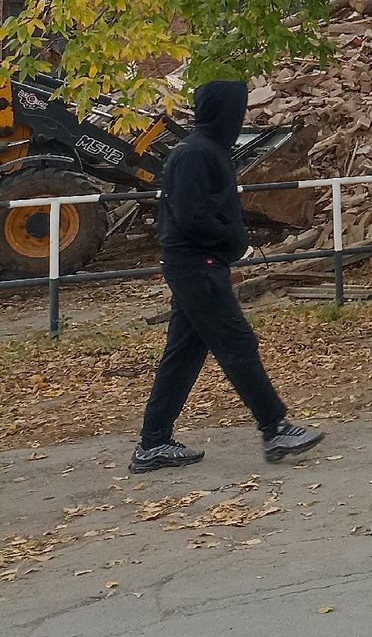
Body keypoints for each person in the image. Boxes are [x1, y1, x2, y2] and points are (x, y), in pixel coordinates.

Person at [129, 79, 324, 472]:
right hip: (196, 264)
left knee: (183, 354)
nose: (242, 117)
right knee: (237, 342)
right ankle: (274, 427)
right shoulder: (195, 154)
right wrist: (230, 241)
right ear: (223, 111)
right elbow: (190, 215)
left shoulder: (207, 151)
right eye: (238, 109)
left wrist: (231, 242)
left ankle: (152, 444)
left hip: (198, 263)